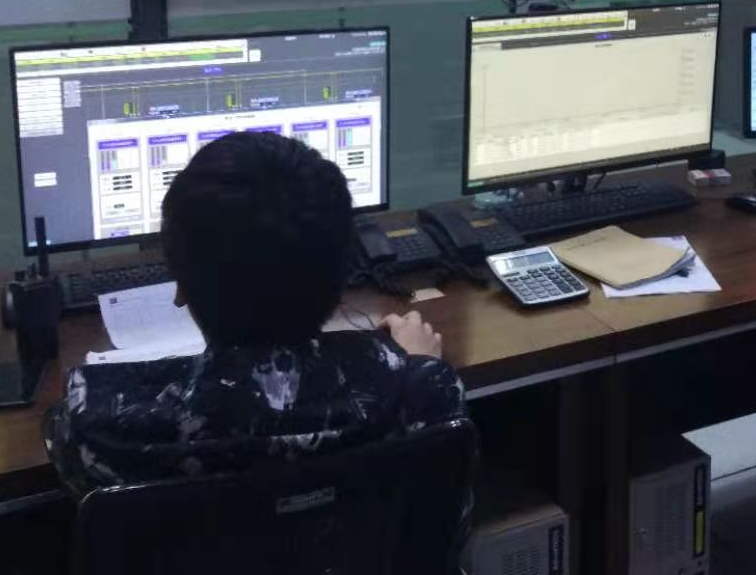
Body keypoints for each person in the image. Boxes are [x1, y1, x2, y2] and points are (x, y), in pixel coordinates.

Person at [45, 131, 466, 493]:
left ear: (181, 287)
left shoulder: (90, 426)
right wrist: (421, 365)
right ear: (342, 279)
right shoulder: (422, 390)